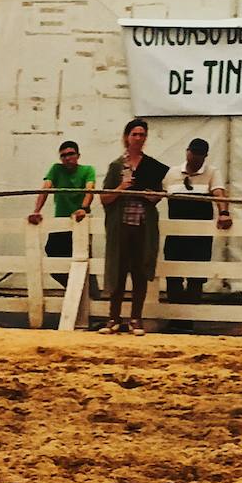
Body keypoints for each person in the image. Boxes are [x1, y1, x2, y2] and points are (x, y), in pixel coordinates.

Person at [99, 119, 168, 335]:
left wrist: (153, 196)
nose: (138, 138)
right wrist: (121, 187)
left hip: (142, 225)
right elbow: (104, 199)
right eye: (135, 134)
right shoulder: (116, 166)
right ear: (127, 136)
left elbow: (159, 195)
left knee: (140, 270)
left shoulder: (152, 165)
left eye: (142, 134)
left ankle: (136, 318)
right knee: (117, 270)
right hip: (121, 225)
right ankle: (113, 317)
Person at [163, 138, 232, 318]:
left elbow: (219, 194)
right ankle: (175, 318)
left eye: (199, 154)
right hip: (175, 234)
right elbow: (157, 194)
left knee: (196, 279)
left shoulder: (212, 172)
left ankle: (190, 319)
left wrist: (223, 212)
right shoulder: (172, 173)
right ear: (187, 151)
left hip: (200, 237)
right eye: (193, 152)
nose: (194, 157)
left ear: (205, 156)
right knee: (173, 277)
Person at [28, 139, 95, 286]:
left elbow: (90, 190)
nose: (67, 158)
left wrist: (83, 209)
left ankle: (89, 293)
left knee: (82, 257)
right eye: (63, 155)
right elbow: (45, 188)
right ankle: (73, 287)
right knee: (52, 253)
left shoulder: (87, 170)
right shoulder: (56, 169)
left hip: (80, 220)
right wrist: (36, 211)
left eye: (71, 154)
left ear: (78, 155)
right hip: (61, 222)